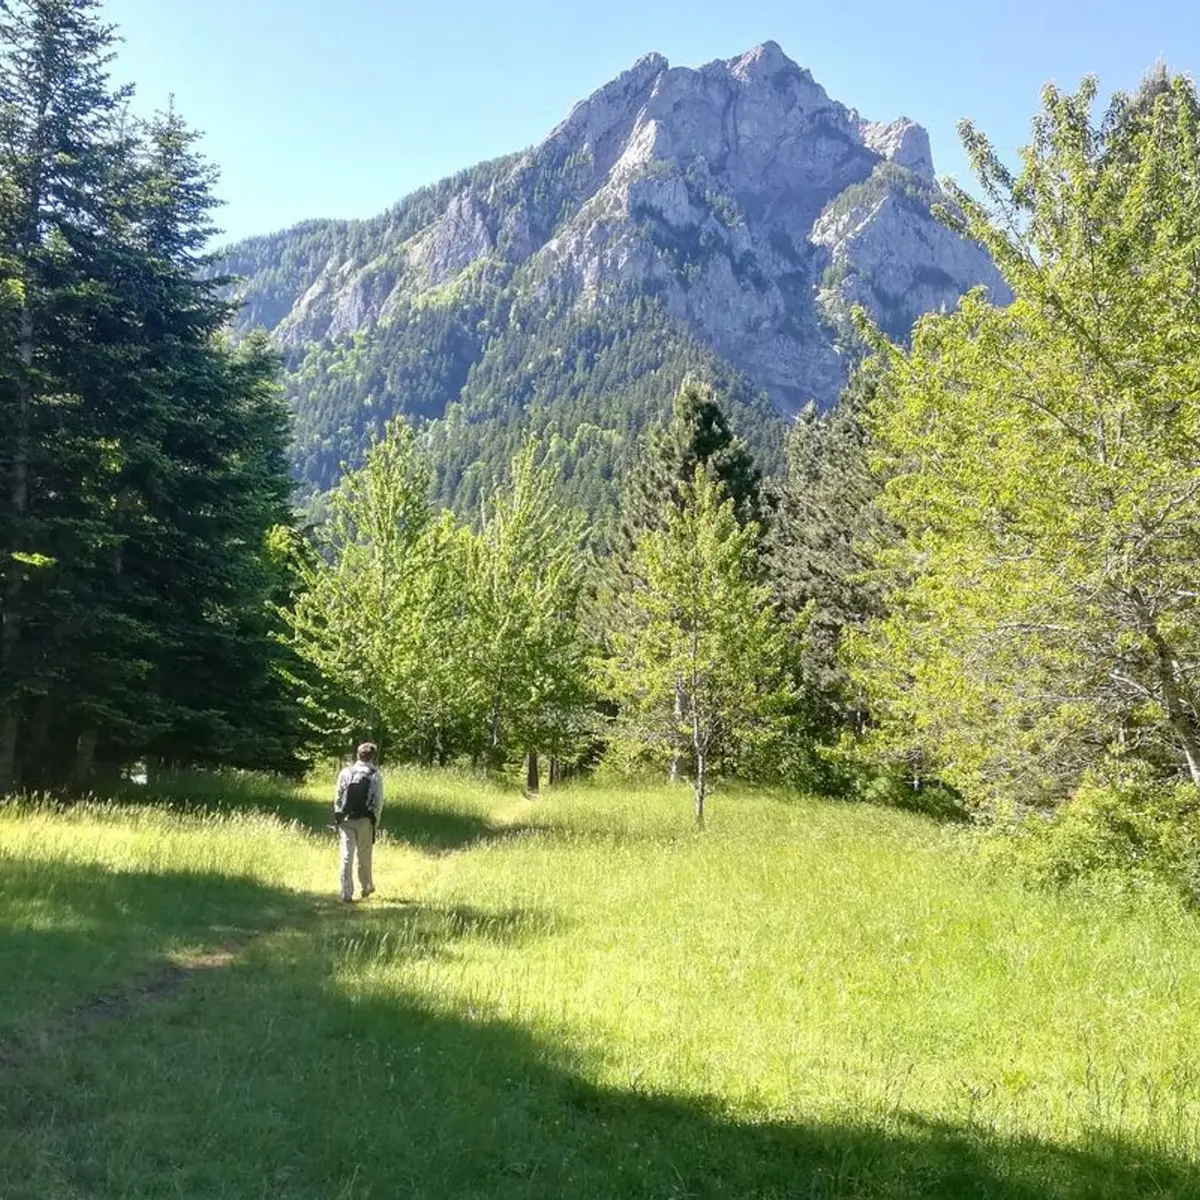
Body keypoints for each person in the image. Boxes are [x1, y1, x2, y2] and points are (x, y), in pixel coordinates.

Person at [333, 742, 384, 903]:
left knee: (346, 855)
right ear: (373, 757)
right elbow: (378, 802)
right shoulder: (375, 774)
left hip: (346, 819)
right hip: (365, 820)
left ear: (357, 755)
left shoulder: (345, 772)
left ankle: (346, 892)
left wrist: (338, 816)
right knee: (364, 855)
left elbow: (338, 797)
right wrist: (375, 822)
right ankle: (366, 887)